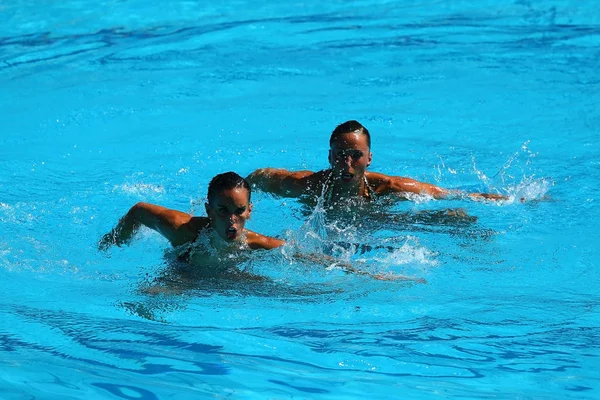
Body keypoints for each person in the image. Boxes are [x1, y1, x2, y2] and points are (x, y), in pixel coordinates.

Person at [99, 171, 414, 283]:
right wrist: (114, 241)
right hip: (184, 275)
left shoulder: (255, 243)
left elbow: (309, 258)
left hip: (229, 277)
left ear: (250, 211)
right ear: (208, 210)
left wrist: (369, 274)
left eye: (238, 211)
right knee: (150, 297)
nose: (231, 219)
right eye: (222, 212)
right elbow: (138, 210)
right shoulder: (183, 229)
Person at [246, 120, 507, 206]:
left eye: (356, 155)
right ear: (329, 157)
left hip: (376, 221)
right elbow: (258, 178)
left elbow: (447, 194)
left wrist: (503, 199)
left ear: (369, 158)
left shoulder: (389, 187)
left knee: (453, 215)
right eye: (340, 155)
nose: (346, 162)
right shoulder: (305, 186)